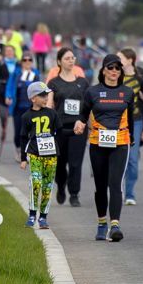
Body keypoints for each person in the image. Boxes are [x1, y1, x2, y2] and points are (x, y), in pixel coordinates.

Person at [78, 54, 135, 241]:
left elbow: (131, 119)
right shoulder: (92, 92)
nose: (114, 72)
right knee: (101, 186)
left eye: (118, 68)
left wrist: (132, 137)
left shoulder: (127, 92)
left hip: (120, 142)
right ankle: (102, 222)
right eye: (110, 68)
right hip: (97, 143)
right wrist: (79, 123)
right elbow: (83, 114)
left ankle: (115, 225)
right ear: (103, 70)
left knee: (115, 183)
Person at [47, 48, 90, 208]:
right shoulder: (54, 83)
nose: (71, 61)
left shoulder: (83, 82)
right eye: (67, 58)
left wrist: (87, 123)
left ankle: (74, 194)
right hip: (60, 128)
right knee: (60, 163)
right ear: (59, 62)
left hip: (78, 127)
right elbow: (50, 105)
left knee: (75, 163)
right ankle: (61, 186)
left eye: (72, 58)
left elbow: (88, 105)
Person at [19, 81, 60, 229]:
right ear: (33, 98)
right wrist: (24, 159)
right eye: (42, 95)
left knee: (48, 186)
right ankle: (31, 214)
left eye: (47, 95)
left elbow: (59, 132)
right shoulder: (26, 116)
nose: (46, 98)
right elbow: (23, 138)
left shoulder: (52, 113)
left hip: (50, 155)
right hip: (34, 153)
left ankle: (43, 217)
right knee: (36, 183)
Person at [119, 46, 143, 206]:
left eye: (120, 58)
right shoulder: (116, 77)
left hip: (136, 121)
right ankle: (116, 189)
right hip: (117, 122)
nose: (117, 61)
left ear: (129, 60)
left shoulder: (139, 79)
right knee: (120, 158)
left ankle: (130, 193)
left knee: (133, 159)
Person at [5, 49, 41, 162]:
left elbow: (40, 87)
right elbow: (10, 86)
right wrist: (8, 96)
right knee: (19, 131)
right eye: (25, 60)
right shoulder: (16, 73)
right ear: (21, 61)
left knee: (32, 131)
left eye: (29, 60)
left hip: (32, 108)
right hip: (18, 107)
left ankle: (28, 152)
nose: (27, 62)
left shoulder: (35, 73)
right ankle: (18, 149)